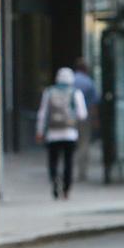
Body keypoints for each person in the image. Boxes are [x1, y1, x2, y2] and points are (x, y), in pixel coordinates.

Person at [36, 66, 87, 199]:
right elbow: (82, 114)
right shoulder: (76, 92)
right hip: (70, 133)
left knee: (53, 160)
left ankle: (54, 180)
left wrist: (40, 131)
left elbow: (42, 113)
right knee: (68, 162)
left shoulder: (49, 92)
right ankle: (66, 189)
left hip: (53, 133)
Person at [71, 57, 100, 182]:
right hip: (84, 117)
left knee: (71, 144)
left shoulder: (70, 80)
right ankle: (81, 172)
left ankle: (69, 170)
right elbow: (94, 104)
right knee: (84, 143)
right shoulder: (89, 82)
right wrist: (95, 119)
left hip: (69, 117)